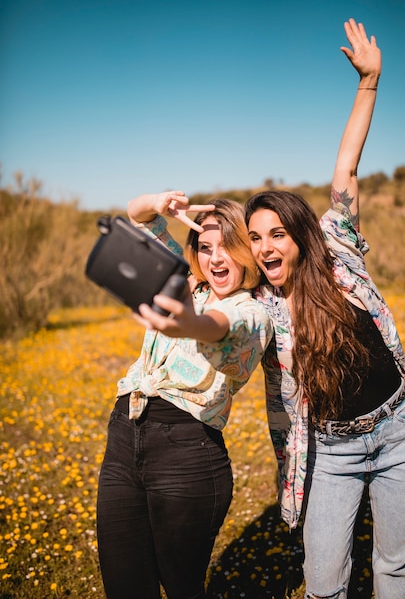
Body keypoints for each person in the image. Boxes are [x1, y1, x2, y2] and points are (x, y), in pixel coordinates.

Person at [244, 18, 405, 598]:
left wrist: (368, 84)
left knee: (396, 570)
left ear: (299, 234)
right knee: (323, 584)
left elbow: (346, 165)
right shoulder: (263, 308)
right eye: (255, 237)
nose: (266, 246)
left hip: (401, 430)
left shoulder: (338, 247)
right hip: (334, 448)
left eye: (276, 233)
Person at [96, 193, 273, 599]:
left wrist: (190, 323)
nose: (215, 259)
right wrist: (158, 203)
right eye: (206, 247)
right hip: (125, 435)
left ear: (248, 249)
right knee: (124, 583)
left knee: (182, 588)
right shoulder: (182, 278)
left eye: (228, 246)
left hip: (188, 454)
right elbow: (137, 218)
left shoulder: (253, 313)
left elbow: (220, 327)